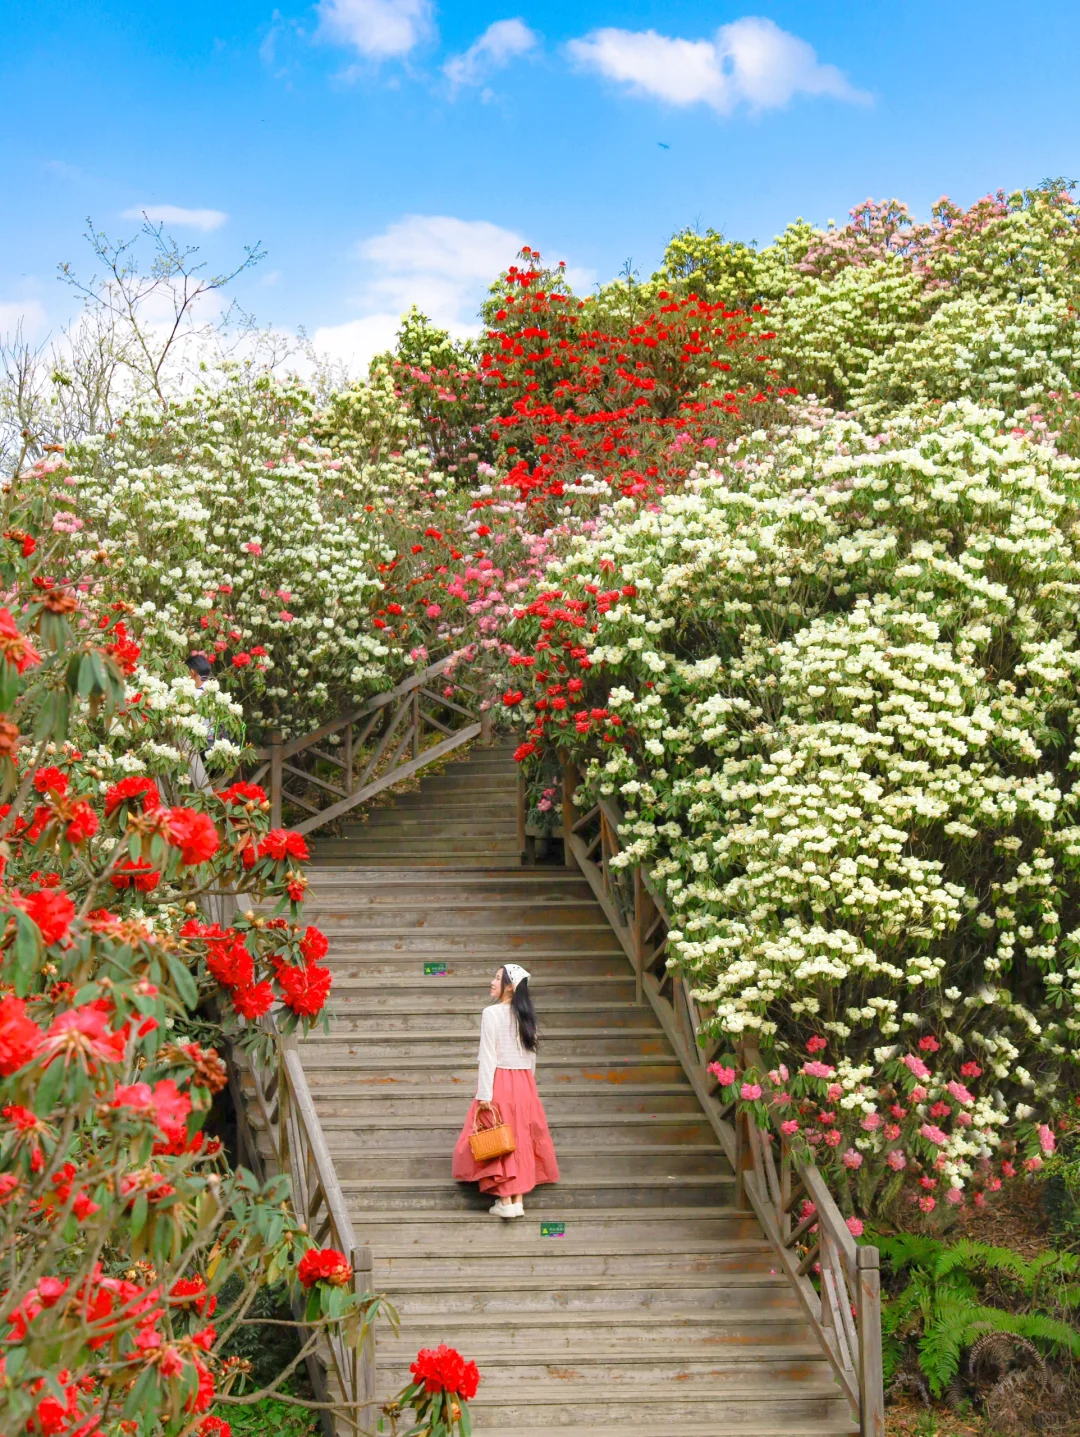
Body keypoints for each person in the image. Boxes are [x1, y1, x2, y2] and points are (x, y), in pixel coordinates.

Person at [452, 963, 559, 1219]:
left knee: (500, 1138)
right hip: (524, 1084)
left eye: (497, 978)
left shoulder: (491, 1013)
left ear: (509, 986)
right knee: (520, 1138)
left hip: (500, 1080)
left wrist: (484, 1094)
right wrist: (528, 1087)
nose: (492, 982)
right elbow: (531, 1057)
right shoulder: (526, 1015)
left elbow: (488, 1056)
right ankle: (517, 1199)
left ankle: (505, 1198)